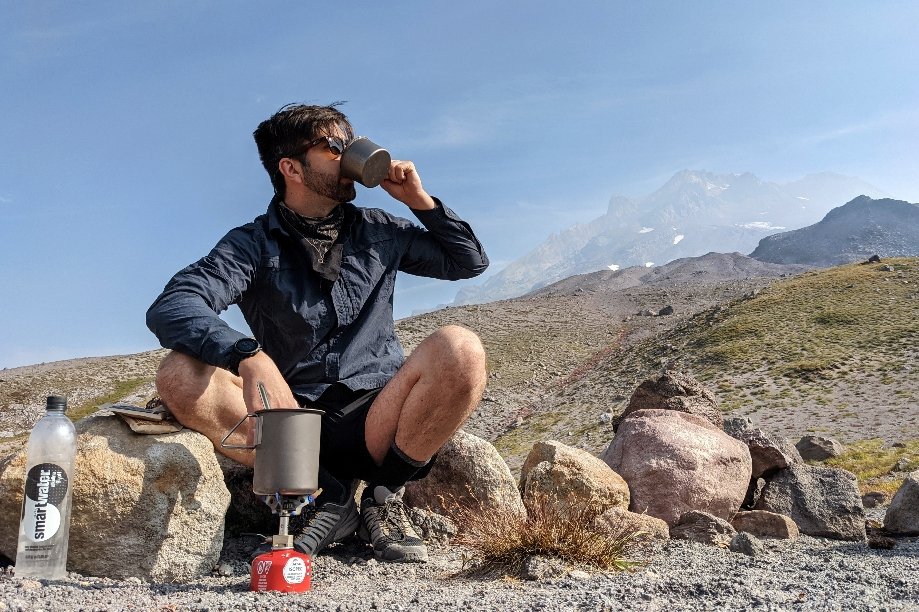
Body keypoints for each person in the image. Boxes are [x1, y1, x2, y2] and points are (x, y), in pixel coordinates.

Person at [146, 103, 489, 563]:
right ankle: (325, 497)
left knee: (460, 347)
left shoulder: (379, 230)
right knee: (178, 373)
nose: (348, 155)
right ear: (292, 168)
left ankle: (384, 497)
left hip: (377, 416)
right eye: (333, 147)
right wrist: (248, 355)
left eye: (349, 143)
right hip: (290, 426)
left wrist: (419, 202)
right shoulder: (250, 245)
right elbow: (174, 305)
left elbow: (467, 261)